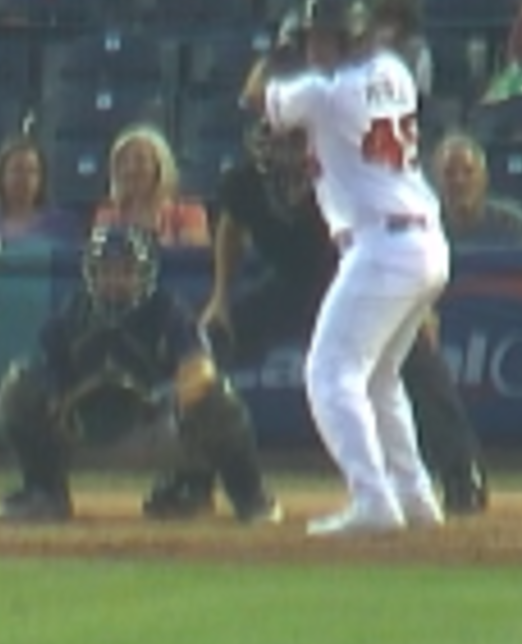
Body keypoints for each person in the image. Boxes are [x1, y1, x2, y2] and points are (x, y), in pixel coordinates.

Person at [208, 48, 489, 516]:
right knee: (210, 348)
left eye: (291, 139)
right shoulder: (248, 177)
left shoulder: (342, 146)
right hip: (298, 282)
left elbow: (387, 207)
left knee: (375, 369)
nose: (280, 146)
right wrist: (219, 296)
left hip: (358, 271)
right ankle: (202, 477)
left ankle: (448, 476)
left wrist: (417, 307)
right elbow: (230, 228)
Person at [254, 0, 453, 536]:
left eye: (325, 38)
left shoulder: (324, 92)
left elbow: (259, 97)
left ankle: (373, 500)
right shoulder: (394, 70)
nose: (316, 48)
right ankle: (415, 498)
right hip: (423, 241)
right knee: (381, 377)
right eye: (314, 38)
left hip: (383, 246)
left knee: (329, 373)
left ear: (350, 39)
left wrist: (281, 49)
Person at [0, 222, 279, 526]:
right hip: (84, 429)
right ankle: (44, 491)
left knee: (217, 396)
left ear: (143, 274)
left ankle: (238, 494)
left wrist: (161, 396)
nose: (115, 281)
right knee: (17, 386)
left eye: (125, 271)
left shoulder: (169, 311)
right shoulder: (72, 313)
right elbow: (40, 369)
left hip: (156, 428)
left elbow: (200, 370)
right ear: (92, 274)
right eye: (107, 271)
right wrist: (67, 398)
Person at [96, 125, 213, 248]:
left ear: (159, 166)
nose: (130, 169)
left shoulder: (189, 212)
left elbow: (192, 261)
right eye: (122, 161)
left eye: (140, 160)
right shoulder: (107, 214)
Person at [0, 137, 82, 250]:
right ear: (1, 175)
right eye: (17, 170)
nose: (24, 178)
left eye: (32, 171)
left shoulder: (63, 225)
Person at [433, 132, 522, 246]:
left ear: (484, 178)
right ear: (435, 179)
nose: (459, 181)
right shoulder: (419, 226)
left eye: (469, 172)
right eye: (449, 173)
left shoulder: (514, 225)